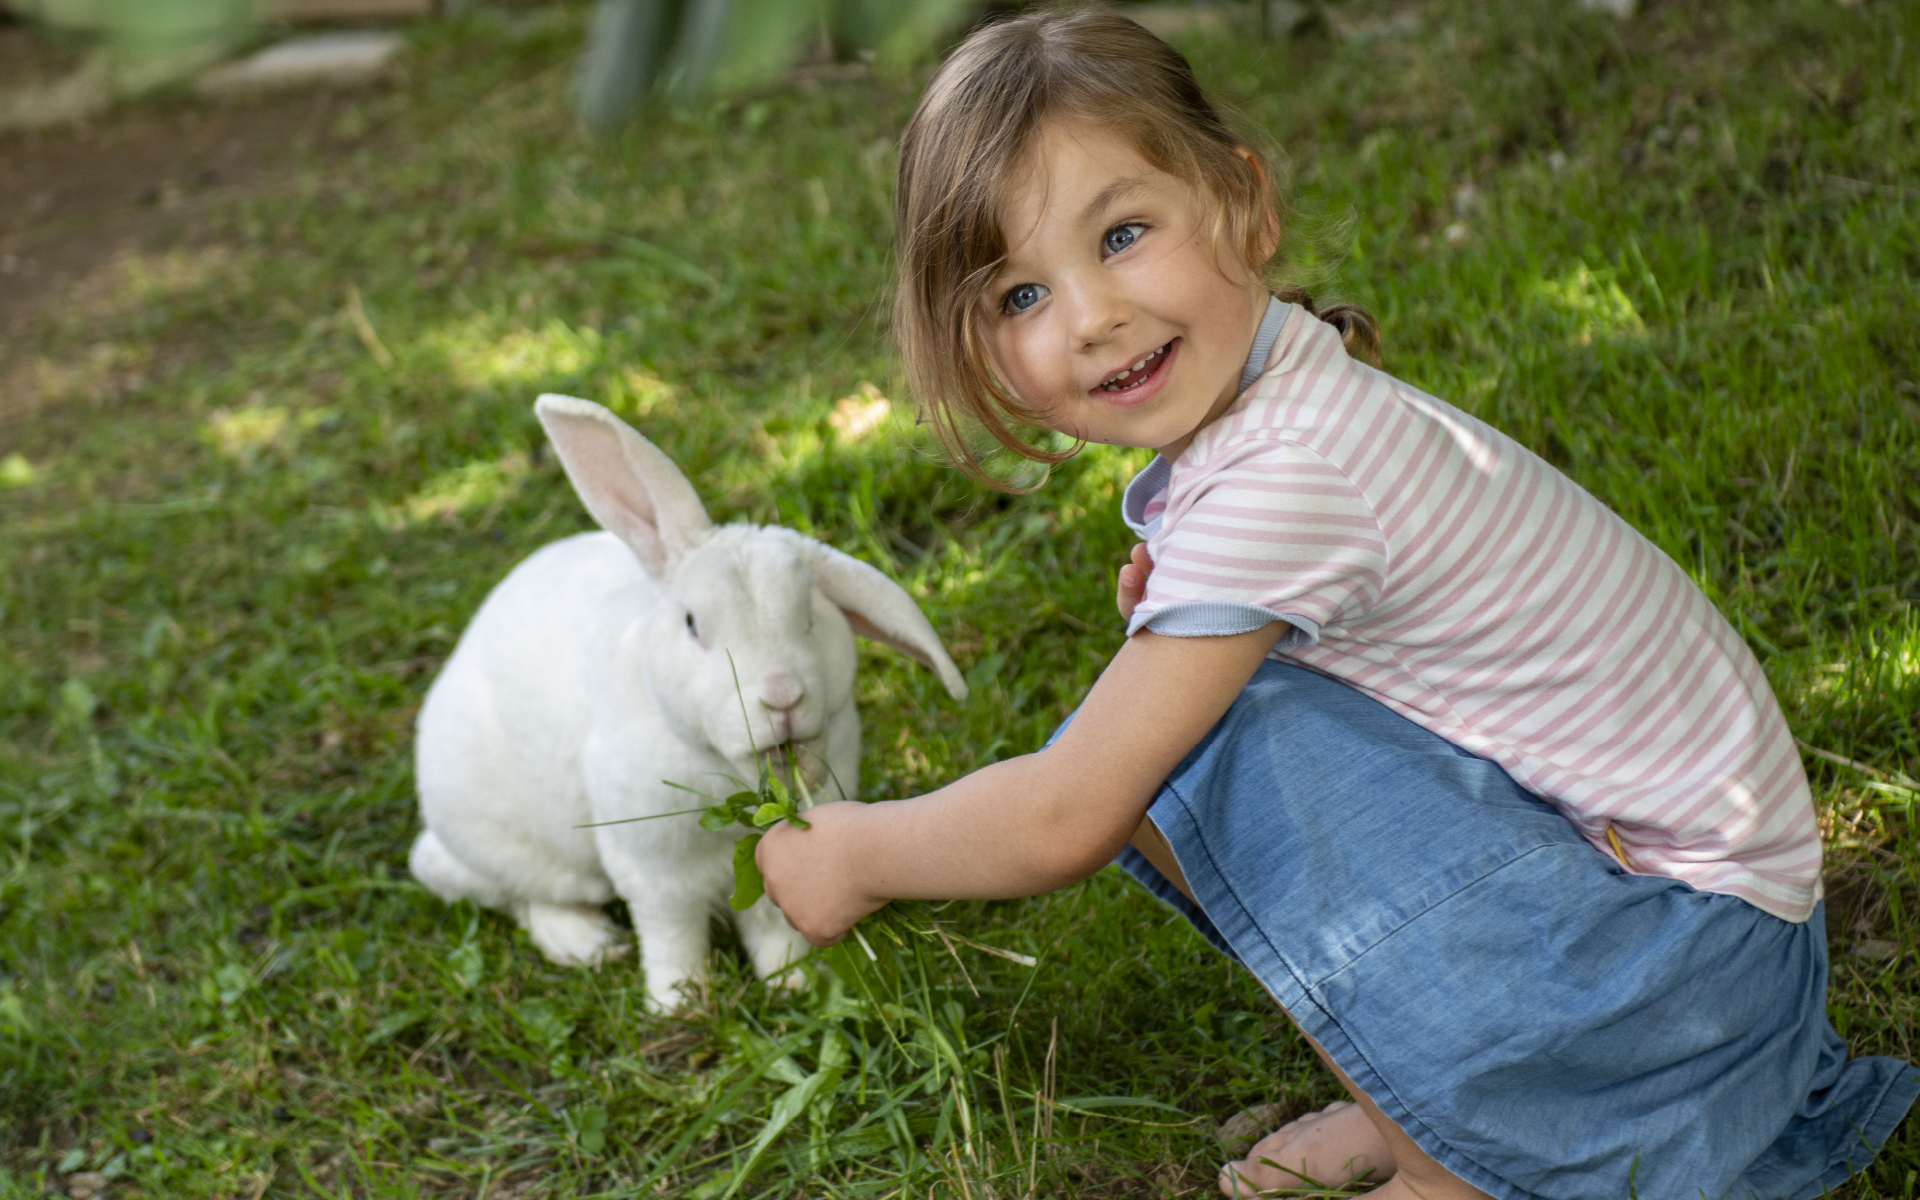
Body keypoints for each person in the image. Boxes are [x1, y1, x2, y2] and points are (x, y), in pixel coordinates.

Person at [756, 10, 1919, 1198]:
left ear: (1242, 206)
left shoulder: (1291, 473)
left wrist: (857, 852)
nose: (1091, 314)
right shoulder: (1292, 398)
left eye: (1123, 233)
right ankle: (1422, 1112)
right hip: (1706, 956)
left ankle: (1448, 1170)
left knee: (1197, 746)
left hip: (1682, 993)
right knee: (1199, 725)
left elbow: (1067, 814)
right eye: (1018, 297)